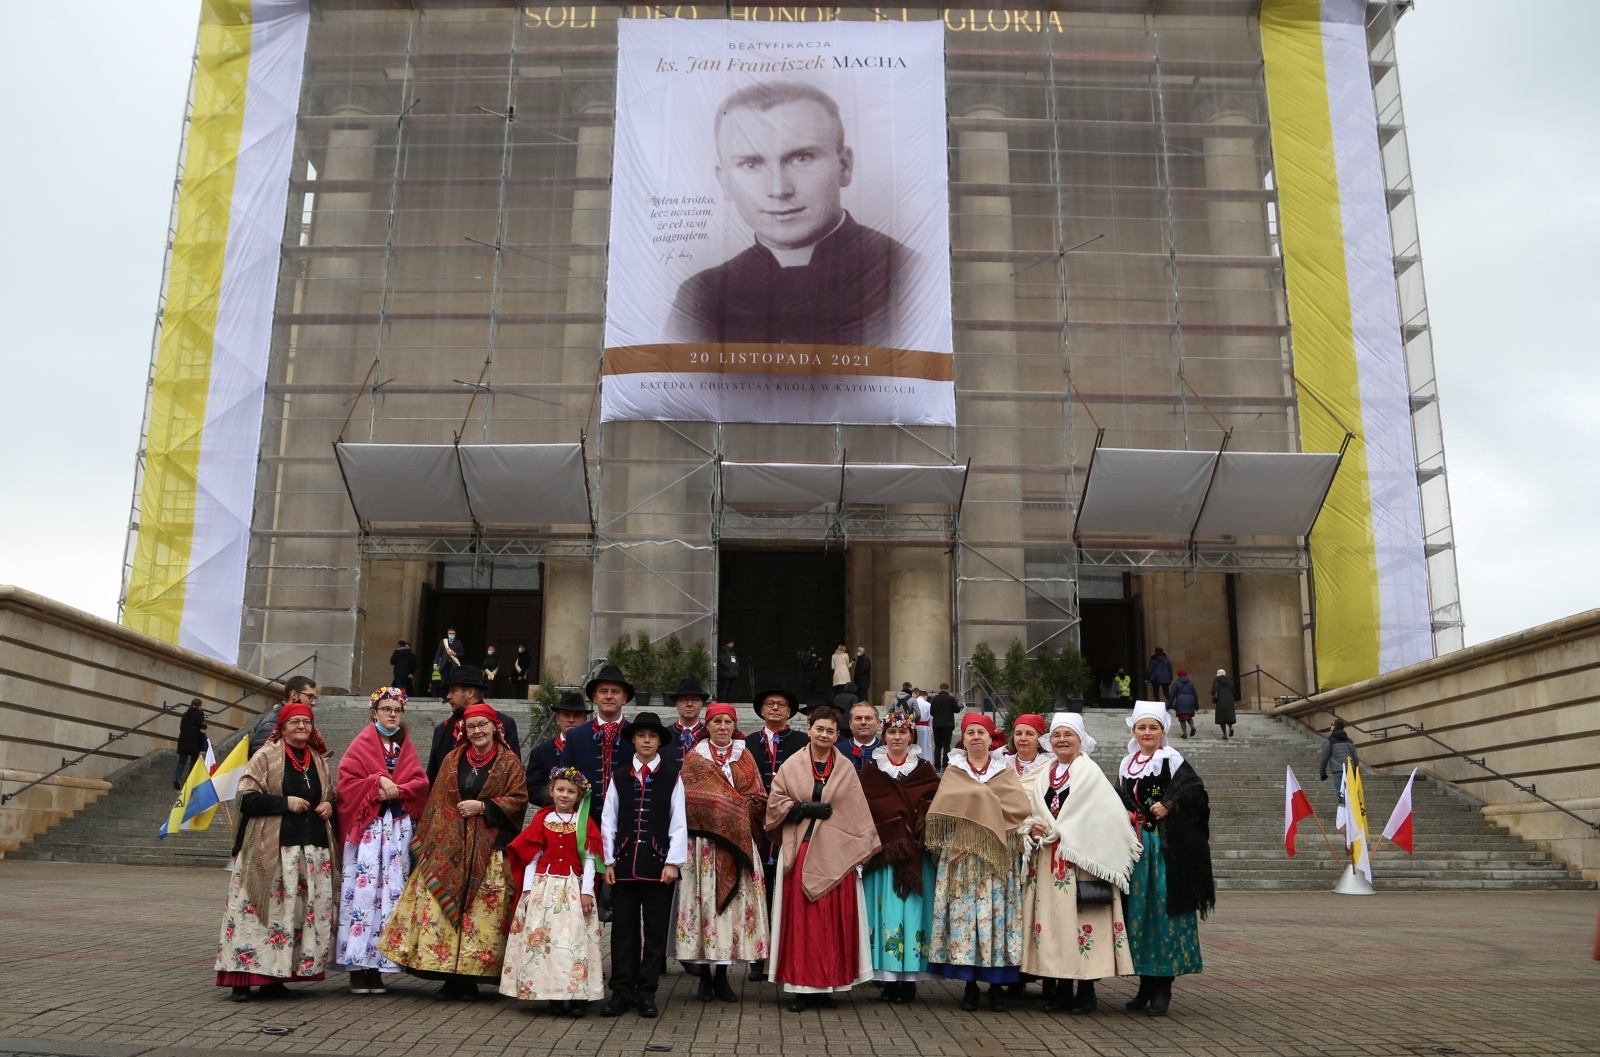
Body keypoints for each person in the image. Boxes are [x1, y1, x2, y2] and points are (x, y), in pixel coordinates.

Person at [667, 81, 914, 348]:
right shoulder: (700, 295)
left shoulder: (912, 276)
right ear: (725, 182)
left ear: (844, 167)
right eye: (751, 164)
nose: (779, 189)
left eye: (801, 158)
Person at [379, 703, 529, 1000]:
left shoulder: (509, 761)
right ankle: (448, 976)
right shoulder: (452, 758)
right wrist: (435, 838)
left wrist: (483, 807)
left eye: (483, 725)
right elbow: (437, 800)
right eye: (471, 726)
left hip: (489, 847)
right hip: (448, 846)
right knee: (440, 912)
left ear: (495, 727)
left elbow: (519, 799)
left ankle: (471, 979)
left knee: (481, 915)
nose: (477, 731)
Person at [214, 701, 337, 1002]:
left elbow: (330, 794)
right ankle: (242, 980)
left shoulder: (318, 761)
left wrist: (329, 805)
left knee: (292, 918)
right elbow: (245, 798)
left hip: (308, 851)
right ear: (281, 727)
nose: (301, 727)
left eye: (306, 722)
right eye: (294, 722)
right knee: (256, 916)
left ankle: (276, 978)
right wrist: (285, 803)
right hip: (270, 851)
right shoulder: (265, 756)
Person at [1020, 713, 1140, 1015]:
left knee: (1084, 926)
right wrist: (1033, 827)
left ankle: (1087, 992)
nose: (1062, 740)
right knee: (1054, 925)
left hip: (1081, 863)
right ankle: (1062, 989)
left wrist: (1072, 832)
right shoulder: (1045, 772)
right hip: (1048, 860)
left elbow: (1108, 816)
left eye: (1068, 734)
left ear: (1080, 739)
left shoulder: (1089, 772)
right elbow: (1033, 810)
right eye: (1057, 735)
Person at [765, 704, 880, 1011]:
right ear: (809, 730)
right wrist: (801, 808)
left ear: (837, 734)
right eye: (820, 729)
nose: (825, 735)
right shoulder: (792, 765)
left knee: (832, 924)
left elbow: (856, 810)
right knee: (803, 924)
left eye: (831, 731)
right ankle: (802, 987)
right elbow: (775, 802)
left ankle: (828, 985)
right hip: (801, 851)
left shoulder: (845, 769)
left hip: (836, 854)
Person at [925, 712, 1032, 1011]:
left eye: (981, 732)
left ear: (990, 738)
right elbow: (942, 810)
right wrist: (984, 800)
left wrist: (978, 799)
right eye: (970, 732)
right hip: (962, 856)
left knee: (996, 917)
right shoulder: (954, 770)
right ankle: (970, 986)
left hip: (997, 856)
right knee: (965, 919)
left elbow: (1018, 809)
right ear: (963, 739)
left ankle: (996, 987)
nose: (975, 737)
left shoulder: (1004, 770)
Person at [1116, 701, 1215, 1017]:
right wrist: (1123, 812)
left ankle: (1164, 986)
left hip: (1165, 849)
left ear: (1162, 732)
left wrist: (1170, 805)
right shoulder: (1126, 764)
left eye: (1153, 728)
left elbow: (1197, 796)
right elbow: (1117, 799)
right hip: (1136, 849)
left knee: (1163, 913)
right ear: (1134, 731)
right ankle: (1145, 983)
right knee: (1138, 914)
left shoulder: (1173, 760)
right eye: (1142, 727)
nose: (1147, 733)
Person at [333, 686, 429, 995]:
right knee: (362, 895)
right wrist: (377, 782)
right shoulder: (361, 743)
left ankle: (377, 968)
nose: (392, 714)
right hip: (368, 830)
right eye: (386, 709)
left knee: (390, 896)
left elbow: (420, 782)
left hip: (396, 829)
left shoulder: (405, 746)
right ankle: (356, 967)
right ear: (374, 712)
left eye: (397, 710)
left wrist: (398, 790)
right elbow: (346, 783)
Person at [675, 702, 769, 1001]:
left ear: (734, 725)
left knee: (731, 911)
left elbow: (758, 797)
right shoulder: (695, 758)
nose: (723, 727)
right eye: (717, 722)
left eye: (728, 722)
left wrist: (731, 807)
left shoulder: (745, 757)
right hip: (703, 846)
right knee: (704, 907)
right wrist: (727, 804)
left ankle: (722, 976)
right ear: (708, 726)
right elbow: (687, 798)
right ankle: (704, 977)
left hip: (738, 842)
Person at [601, 711, 688, 1019]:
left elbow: (679, 821)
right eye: (641, 735)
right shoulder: (619, 775)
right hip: (624, 863)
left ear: (659, 741)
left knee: (655, 931)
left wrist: (673, 862)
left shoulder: (672, 775)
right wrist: (608, 861)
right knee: (623, 930)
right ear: (634, 740)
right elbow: (608, 820)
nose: (647, 741)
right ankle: (621, 990)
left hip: (658, 863)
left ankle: (647, 992)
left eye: (652, 736)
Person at [500, 767, 604, 1015]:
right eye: (560, 790)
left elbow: (591, 859)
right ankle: (552, 994)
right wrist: (528, 891)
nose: (565, 795)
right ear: (551, 791)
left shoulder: (584, 822)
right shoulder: (542, 820)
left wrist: (587, 891)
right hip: (544, 889)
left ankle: (577, 996)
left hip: (573, 889)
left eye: (571, 792)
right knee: (547, 942)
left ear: (578, 796)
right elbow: (531, 858)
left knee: (572, 941)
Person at [859, 709, 940, 1003]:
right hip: (884, 855)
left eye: (902, 732)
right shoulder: (871, 770)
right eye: (891, 732)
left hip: (916, 854)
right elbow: (864, 806)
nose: (897, 737)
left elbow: (934, 801)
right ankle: (887, 979)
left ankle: (910, 981)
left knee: (914, 912)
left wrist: (918, 818)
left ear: (911, 736)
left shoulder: (925, 769)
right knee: (885, 913)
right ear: (883, 736)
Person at [743, 686, 808, 982]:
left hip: (791, 825)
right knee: (759, 891)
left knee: (787, 891)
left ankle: (786, 954)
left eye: (781, 704)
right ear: (761, 710)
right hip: (756, 826)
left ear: (790, 711)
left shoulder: (802, 741)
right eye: (769, 704)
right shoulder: (747, 743)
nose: (775, 708)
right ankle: (758, 957)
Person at [426, 667, 521, 784]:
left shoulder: (503, 724)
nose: (448, 696)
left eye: (453, 691)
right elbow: (433, 776)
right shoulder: (442, 730)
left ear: (470, 692)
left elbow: (514, 774)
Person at [559, 663, 633, 809]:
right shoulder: (575, 736)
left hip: (625, 817)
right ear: (594, 697)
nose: (609, 696)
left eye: (615, 692)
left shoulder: (637, 735)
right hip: (585, 817)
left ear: (624, 698)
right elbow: (564, 780)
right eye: (603, 691)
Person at [527, 691, 591, 808]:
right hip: (553, 813)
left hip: (587, 812)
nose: (571, 720)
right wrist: (560, 800)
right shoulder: (541, 752)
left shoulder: (594, 748)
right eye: (566, 715)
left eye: (576, 716)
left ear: (585, 719)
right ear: (557, 719)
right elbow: (532, 789)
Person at [247, 675, 318, 757]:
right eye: (310, 696)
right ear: (294, 695)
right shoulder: (271, 724)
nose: (313, 703)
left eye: (315, 698)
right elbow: (260, 760)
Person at [1319, 718, 1361, 804]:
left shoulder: (1329, 741)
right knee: (1351, 793)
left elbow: (1324, 758)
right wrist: (1356, 771)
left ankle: (1343, 810)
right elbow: (1355, 757)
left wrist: (1322, 772)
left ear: (1334, 727)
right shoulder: (1349, 741)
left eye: (1333, 724)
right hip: (1350, 771)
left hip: (1338, 771)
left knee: (1341, 794)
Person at [669, 678, 709, 758]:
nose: (689, 704)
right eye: (683, 700)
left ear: (702, 704)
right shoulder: (665, 735)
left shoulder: (709, 735)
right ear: (676, 704)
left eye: (695, 700)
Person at [1005, 713, 1050, 782]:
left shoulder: (1048, 764)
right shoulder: (1004, 764)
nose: (1023, 738)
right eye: (1019, 734)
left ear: (1040, 739)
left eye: (1029, 734)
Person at [174, 697, 207, 790]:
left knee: (182, 760)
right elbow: (199, 724)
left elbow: (181, 727)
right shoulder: (200, 713)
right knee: (193, 760)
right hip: (194, 740)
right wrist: (204, 726)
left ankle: (177, 778)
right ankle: (189, 780)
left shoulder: (186, 713)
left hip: (183, 739)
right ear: (199, 705)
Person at [843, 701, 883, 771]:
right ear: (850, 724)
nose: (863, 722)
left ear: (878, 723)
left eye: (868, 718)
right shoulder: (839, 750)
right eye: (858, 718)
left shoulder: (887, 750)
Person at [928, 683, 959, 770]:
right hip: (948, 724)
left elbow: (931, 713)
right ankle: (945, 766)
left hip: (937, 724)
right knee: (946, 745)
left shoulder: (935, 699)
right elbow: (957, 710)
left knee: (937, 746)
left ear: (940, 688)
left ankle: (937, 766)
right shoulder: (951, 699)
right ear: (947, 689)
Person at [1168, 670, 1200, 739]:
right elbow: (1195, 694)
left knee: (1182, 718)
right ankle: (1192, 727)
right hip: (1191, 700)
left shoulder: (1177, 683)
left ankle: (1184, 733)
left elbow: (1172, 695)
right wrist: (1196, 705)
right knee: (1189, 716)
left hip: (1181, 701)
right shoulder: (1190, 683)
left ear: (1179, 675)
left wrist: (1168, 705)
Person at [434, 628, 463, 701]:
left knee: (453, 681)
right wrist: (435, 662)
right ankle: (444, 697)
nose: (451, 635)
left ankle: (453, 696)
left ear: (455, 634)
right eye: (450, 633)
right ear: (447, 634)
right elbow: (438, 653)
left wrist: (455, 654)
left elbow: (462, 654)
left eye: (453, 634)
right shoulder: (443, 642)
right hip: (445, 665)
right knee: (444, 681)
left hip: (454, 665)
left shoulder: (458, 643)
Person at [1211, 669, 1237, 740]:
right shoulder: (1229, 681)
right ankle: (1231, 727)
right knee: (1229, 716)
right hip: (1229, 700)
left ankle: (1225, 734)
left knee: (1221, 718)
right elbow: (1234, 691)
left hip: (1220, 700)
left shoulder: (1216, 680)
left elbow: (1214, 690)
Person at [912, 689, 935, 762]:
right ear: (925, 696)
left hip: (915, 727)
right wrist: (930, 725)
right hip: (924, 727)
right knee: (925, 746)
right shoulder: (928, 704)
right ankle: (926, 760)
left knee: (915, 745)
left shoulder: (913, 703)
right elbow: (931, 717)